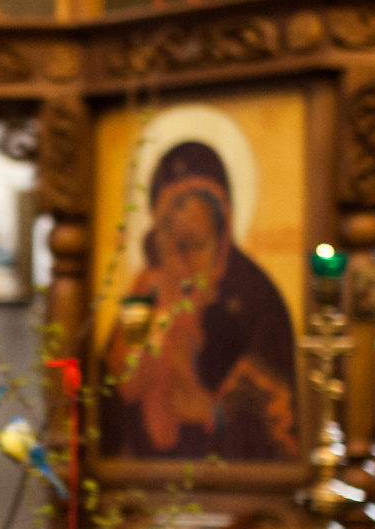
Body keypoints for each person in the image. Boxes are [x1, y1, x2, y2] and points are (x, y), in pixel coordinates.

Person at [110, 142, 297, 460]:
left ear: (222, 235)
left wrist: (212, 412)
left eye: (195, 245)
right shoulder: (145, 292)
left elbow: (277, 423)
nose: (183, 261)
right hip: (146, 483)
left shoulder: (257, 301)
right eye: (174, 243)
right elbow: (115, 395)